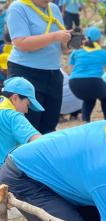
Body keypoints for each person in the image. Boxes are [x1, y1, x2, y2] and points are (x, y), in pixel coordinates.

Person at [7, 0, 71, 134]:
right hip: (25, 72)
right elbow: (21, 43)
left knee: (49, 126)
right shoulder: (18, 7)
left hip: (53, 72)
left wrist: (71, 42)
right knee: (27, 127)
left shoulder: (53, 8)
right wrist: (54, 36)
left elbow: (62, 45)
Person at [69, 26, 106, 122]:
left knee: (89, 98)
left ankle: (85, 122)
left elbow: (72, 67)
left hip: (74, 83)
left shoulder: (77, 51)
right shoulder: (104, 53)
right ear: (99, 39)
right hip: (93, 82)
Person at [0, 77, 42, 165]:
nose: (27, 111)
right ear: (15, 98)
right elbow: (40, 142)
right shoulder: (13, 116)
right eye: (27, 104)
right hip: (6, 174)